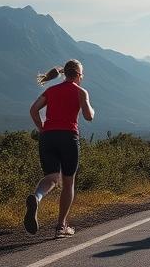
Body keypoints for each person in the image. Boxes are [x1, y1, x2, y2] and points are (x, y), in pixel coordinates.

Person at [24, 59, 94, 238]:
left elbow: (33, 110)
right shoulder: (80, 92)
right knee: (68, 182)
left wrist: (42, 128)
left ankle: (37, 198)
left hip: (48, 137)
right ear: (78, 75)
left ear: (65, 74)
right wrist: (89, 106)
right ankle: (61, 226)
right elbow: (88, 116)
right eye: (81, 75)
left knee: (52, 177)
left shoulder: (51, 90)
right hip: (68, 137)